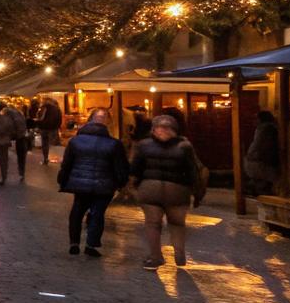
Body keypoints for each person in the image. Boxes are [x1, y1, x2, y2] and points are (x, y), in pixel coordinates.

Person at [130, 114, 204, 269]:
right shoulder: (184, 146)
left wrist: (135, 186)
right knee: (177, 223)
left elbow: (135, 169)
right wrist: (197, 193)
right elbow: (193, 172)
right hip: (177, 190)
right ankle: (179, 252)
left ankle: (155, 257)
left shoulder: (144, 145)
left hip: (150, 189)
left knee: (152, 224)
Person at [56, 109, 128, 257]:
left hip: (80, 184)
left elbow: (67, 164)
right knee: (97, 213)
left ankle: (74, 243)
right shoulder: (114, 144)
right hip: (104, 185)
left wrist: (62, 179)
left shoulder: (75, 141)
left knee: (77, 211)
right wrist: (121, 183)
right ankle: (91, 244)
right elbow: (120, 167)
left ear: (89, 120)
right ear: (106, 123)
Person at [244, 109, 282, 198]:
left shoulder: (265, 129)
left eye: (256, 119)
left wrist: (252, 156)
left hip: (263, 161)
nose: (254, 121)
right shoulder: (265, 128)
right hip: (262, 160)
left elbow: (259, 144)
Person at [35, 101, 63, 165]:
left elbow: (38, 118)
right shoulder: (57, 109)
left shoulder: (42, 108)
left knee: (45, 144)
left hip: (43, 129)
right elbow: (59, 119)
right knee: (54, 143)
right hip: (53, 129)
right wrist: (57, 127)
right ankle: (57, 159)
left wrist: (39, 126)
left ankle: (46, 159)